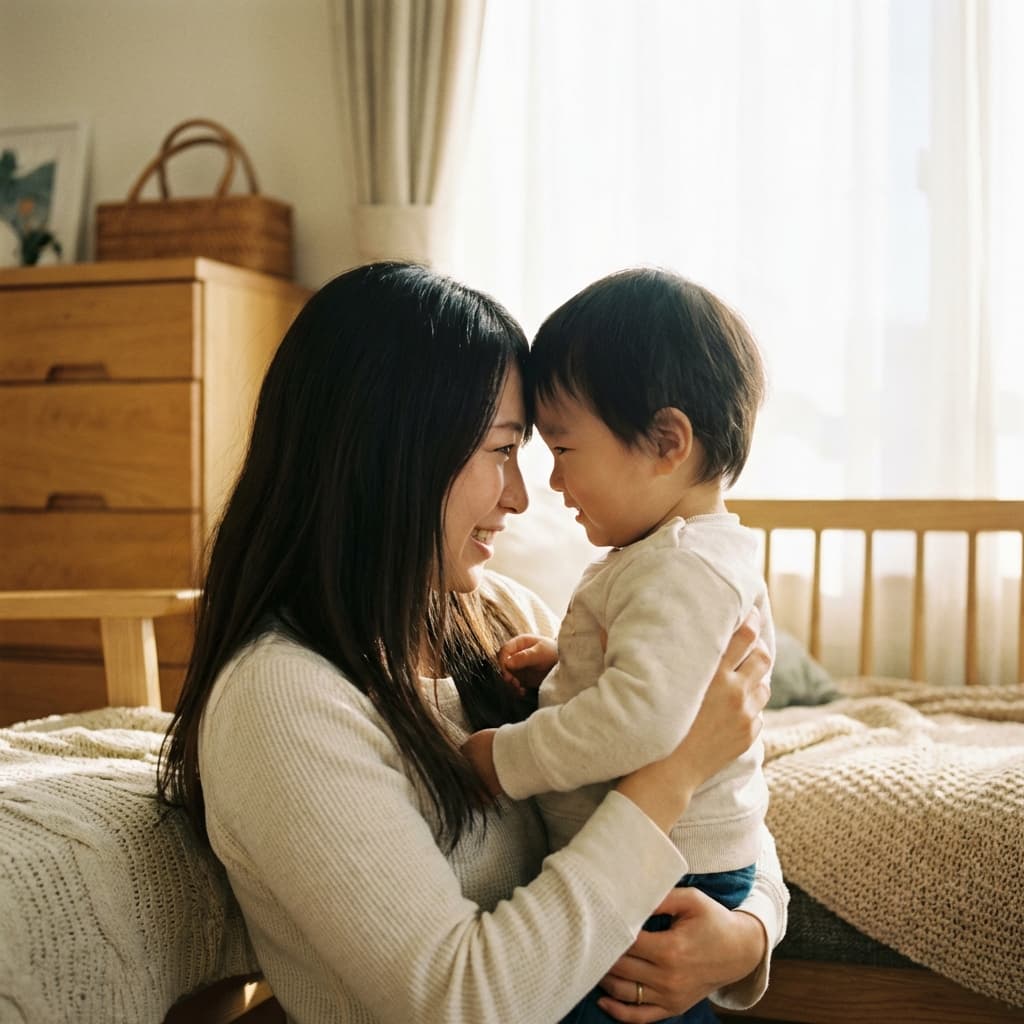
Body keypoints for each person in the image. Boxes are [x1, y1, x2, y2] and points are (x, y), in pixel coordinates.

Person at [157, 262, 787, 1024]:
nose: (524, 496)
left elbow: (725, 804)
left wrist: (748, 933)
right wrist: (672, 773)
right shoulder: (285, 701)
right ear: (389, 453)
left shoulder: (501, 616)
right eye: (502, 450)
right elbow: (457, 1001)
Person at [462, 267, 775, 1024]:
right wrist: (567, 671)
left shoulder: (681, 567)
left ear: (666, 442)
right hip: (660, 865)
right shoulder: (669, 556)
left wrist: (503, 759)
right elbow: (649, 689)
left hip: (664, 888)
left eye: (564, 449)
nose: (551, 482)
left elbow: (641, 721)